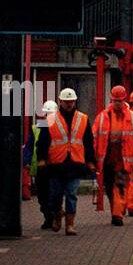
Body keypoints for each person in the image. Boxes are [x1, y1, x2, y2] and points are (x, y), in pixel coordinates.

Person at [34, 88, 96, 235]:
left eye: (71, 101)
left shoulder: (83, 118)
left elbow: (88, 141)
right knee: (55, 194)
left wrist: (90, 161)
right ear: (60, 102)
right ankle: (57, 214)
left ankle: (70, 224)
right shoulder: (48, 120)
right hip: (56, 164)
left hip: (75, 163)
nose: (69, 104)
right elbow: (41, 142)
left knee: (71, 194)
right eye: (66, 101)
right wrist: (42, 159)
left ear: (75, 101)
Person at [93, 85, 133, 225]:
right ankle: (117, 210)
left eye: (119, 101)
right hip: (107, 158)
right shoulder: (102, 117)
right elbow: (95, 138)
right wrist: (91, 158)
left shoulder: (132, 118)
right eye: (115, 100)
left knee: (120, 186)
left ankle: (117, 214)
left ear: (124, 100)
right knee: (110, 187)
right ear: (111, 100)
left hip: (123, 159)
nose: (117, 103)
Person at [22, 100, 58, 230]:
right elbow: (29, 146)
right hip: (41, 167)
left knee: (52, 193)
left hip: (54, 166)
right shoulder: (37, 128)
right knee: (43, 195)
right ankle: (49, 217)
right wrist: (26, 161)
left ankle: (52, 217)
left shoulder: (58, 127)